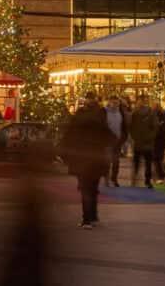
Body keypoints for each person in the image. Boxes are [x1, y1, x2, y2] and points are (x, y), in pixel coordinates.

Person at [60, 92, 111, 229]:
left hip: (82, 157)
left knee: (85, 189)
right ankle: (93, 216)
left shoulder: (79, 115)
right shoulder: (100, 114)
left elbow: (69, 134)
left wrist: (65, 151)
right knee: (93, 188)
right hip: (96, 157)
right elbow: (107, 134)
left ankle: (87, 219)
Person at [129, 95, 158, 188]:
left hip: (139, 142)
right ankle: (147, 181)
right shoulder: (150, 113)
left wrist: (134, 137)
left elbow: (131, 127)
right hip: (146, 142)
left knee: (137, 162)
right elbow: (155, 127)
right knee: (147, 163)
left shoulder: (135, 113)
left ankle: (135, 179)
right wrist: (150, 137)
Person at [104, 95, 127, 187]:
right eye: (113, 103)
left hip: (118, 142)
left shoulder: (120, 112)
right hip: (108, 141)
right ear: (109, 102)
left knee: (116, 162)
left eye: (117, 103)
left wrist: (123, 138)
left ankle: (114, 179)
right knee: (107, 162)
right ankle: (106, 179)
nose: (115, 105)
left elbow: (123, 126)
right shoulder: (104, 112)